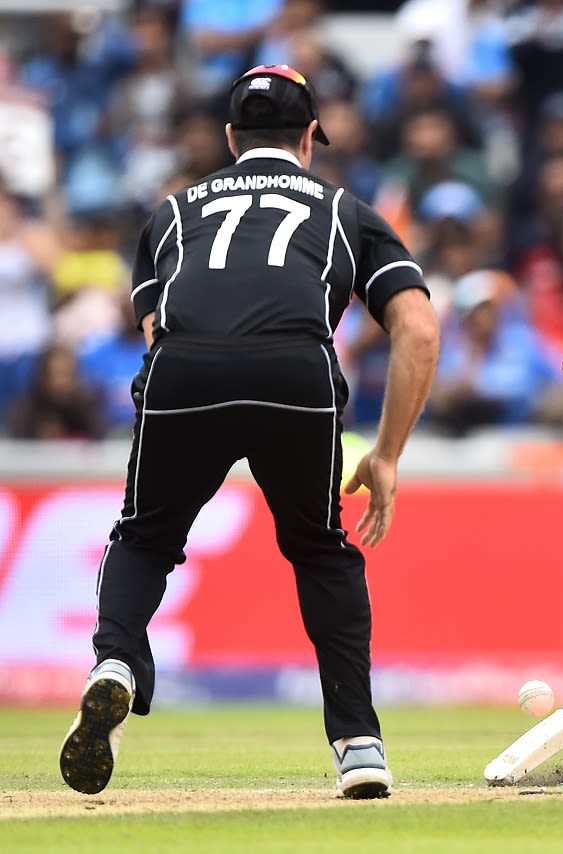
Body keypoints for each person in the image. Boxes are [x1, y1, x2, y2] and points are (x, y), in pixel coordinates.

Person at [58, 64, 440, 800]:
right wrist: (387, 454)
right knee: (319, 551)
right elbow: (418, 329)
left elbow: (152, 328)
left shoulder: (170, 215)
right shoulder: (342, 209)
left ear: (231, 137)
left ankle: (114, 660)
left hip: (184, 371)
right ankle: (359, 746)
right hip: (296, 372)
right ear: (308, 139)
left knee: (143, 536)